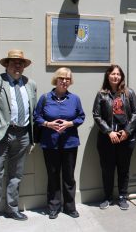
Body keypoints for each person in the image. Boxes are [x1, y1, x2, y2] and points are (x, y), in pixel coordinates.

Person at [0, 49, 37, 228]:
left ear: (24, 66)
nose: (17, 65)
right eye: (13, 62)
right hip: (0, 134)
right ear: (6, 65)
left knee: (16, 174)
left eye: (20, 63)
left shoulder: (30, 84)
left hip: (23, 134)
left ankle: (12, 208)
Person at [33, 67, 85, 219]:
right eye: (62, 78)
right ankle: (54, 207)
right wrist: (48, 124)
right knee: (53, 175)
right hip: (50, 144)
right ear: (56, 79)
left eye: (67, 78)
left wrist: (70, 124)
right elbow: (37, 117)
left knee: (69, 177)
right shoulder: (45, 98)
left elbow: (81, 117)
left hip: (70, 143)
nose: (64, 81)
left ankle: (70, 207)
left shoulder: (75, 99)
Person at [92, 65, 136, 210]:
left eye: (118, 74)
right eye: (113, 74)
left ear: (122, 76)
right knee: (107, 169)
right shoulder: (102, 94)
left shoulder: (129, 93)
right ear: (108, 76)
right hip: (107, 138)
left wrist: (127, 131)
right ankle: (107, 197)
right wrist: (108, 131)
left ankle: (122, 196)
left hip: (125, 137)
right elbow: (96, 114)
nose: (115, 76)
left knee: (123, 169)